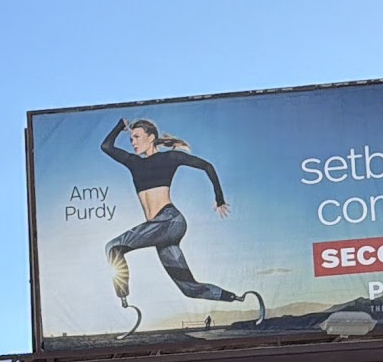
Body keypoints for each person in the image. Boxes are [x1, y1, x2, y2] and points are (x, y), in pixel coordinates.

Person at [102, 117, 265, 332]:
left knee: (113, 247)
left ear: (151, 138)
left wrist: (219, 199)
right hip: (161, 231)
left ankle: (123, 298)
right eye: (131, 138)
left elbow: (207, 166)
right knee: (190, 289)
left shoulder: (170, 157)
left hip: (169, 221)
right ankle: (237, 298)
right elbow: (106, 147)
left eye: (137, 137)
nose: (133, 142)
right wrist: (119, 126)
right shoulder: (133, 162)